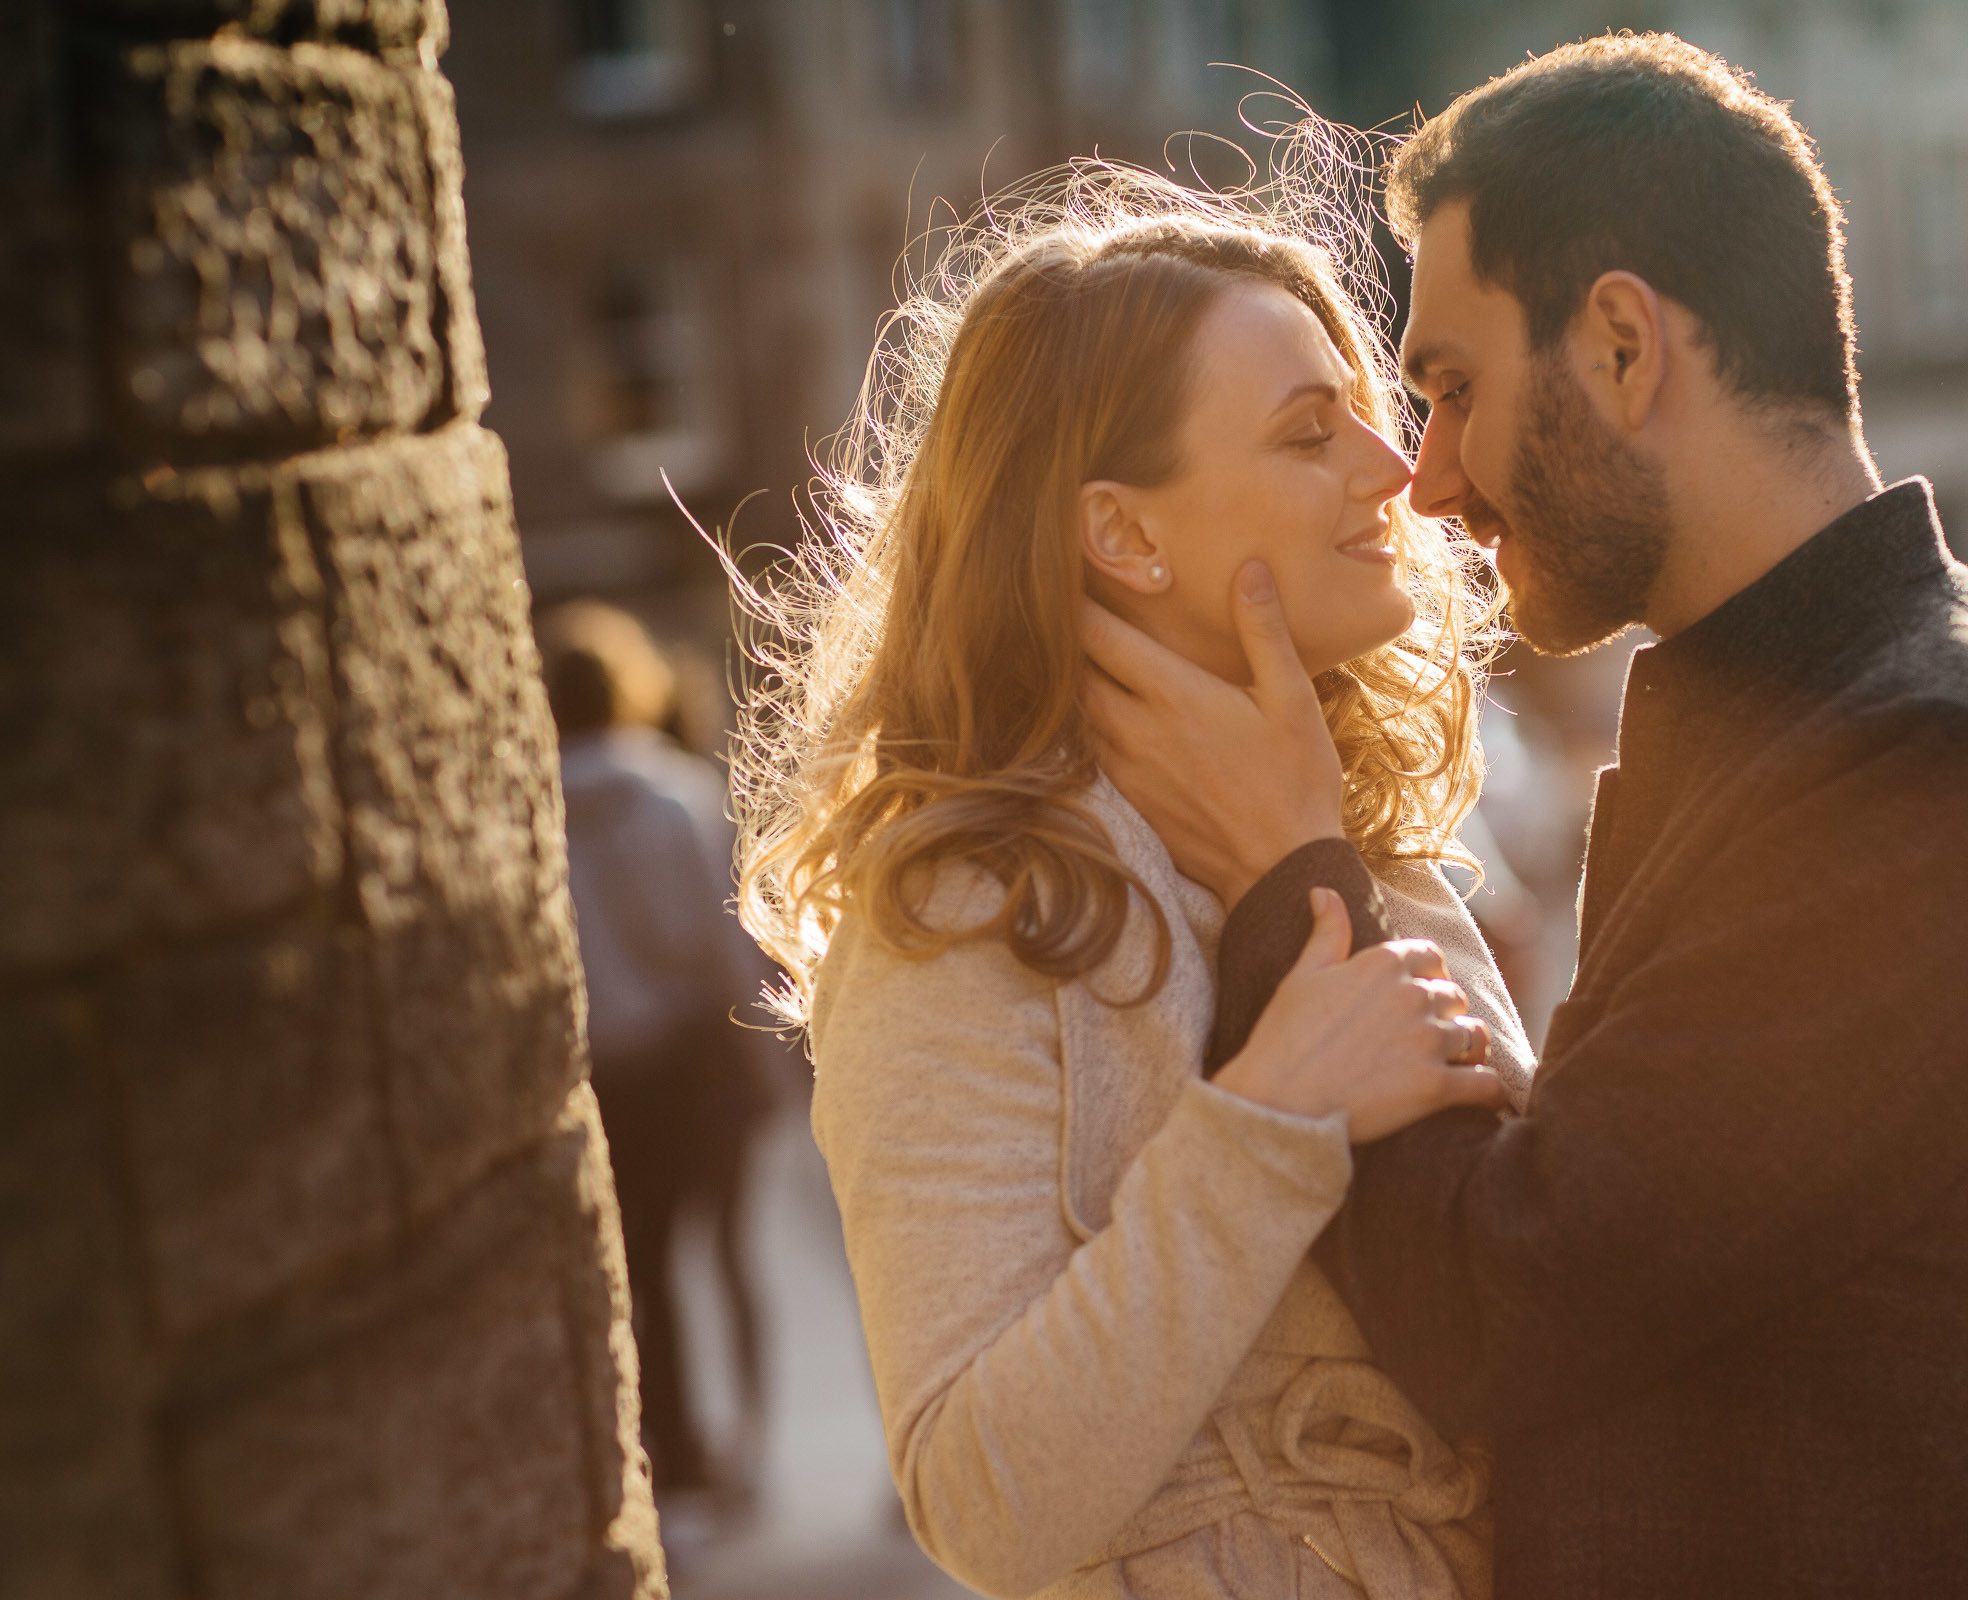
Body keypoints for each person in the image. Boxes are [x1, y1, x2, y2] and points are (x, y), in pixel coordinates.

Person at [1084, 36, 1968, 1599]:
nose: (1430, 480)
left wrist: (1290, 873)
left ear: (1618, 346)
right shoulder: (1808, 720)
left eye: (1453, 388)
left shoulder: (1937, 761)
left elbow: (1501, 1307)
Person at [728, 164, 1533, 1599]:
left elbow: (1527, 1294)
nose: (1393, 468)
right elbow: (982, 1500)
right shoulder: (971, 911)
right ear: (1125, 534)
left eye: (1361, 408)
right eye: (1308, 433)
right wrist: (1272, 1118)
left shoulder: (1368, 849)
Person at [539, 600, 777, 1502]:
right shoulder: (676, 792)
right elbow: (729, 945)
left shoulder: (534, 807)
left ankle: (673, 1453)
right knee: (728, 1252)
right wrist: (768, 1066)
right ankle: (753, 1440)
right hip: (695, 1061)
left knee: (639, 1272)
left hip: (608, 1075)